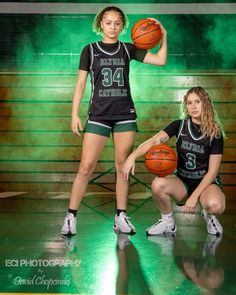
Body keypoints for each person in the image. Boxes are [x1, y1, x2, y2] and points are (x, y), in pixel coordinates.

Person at [61, 6, 167, 235]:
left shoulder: (129, 49)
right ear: (101, 24)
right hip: (98, 115)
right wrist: (73, 114)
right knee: (86, 167)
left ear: (122, 26)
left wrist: (163, 35)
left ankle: (120, 216)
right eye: (108, 22)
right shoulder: (89, 50)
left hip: (124, 115)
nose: (113, 26)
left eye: (117, 23)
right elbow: (80, 85)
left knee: (122, 167)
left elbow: (160, 60)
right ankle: (70, 216)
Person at [123, 86, 226, 236]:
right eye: (189, 103)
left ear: (206, 103)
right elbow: (154, 141)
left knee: (216, 206)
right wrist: (132, 156)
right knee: (158, 184)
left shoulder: (215, 133)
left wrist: (193, 198)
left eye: (197, 101)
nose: (193, 106)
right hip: (183, 182)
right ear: (186, 106)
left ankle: (209, 216)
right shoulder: (179, 126)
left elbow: (212, 172)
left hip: (206, 183)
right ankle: (168, 222)